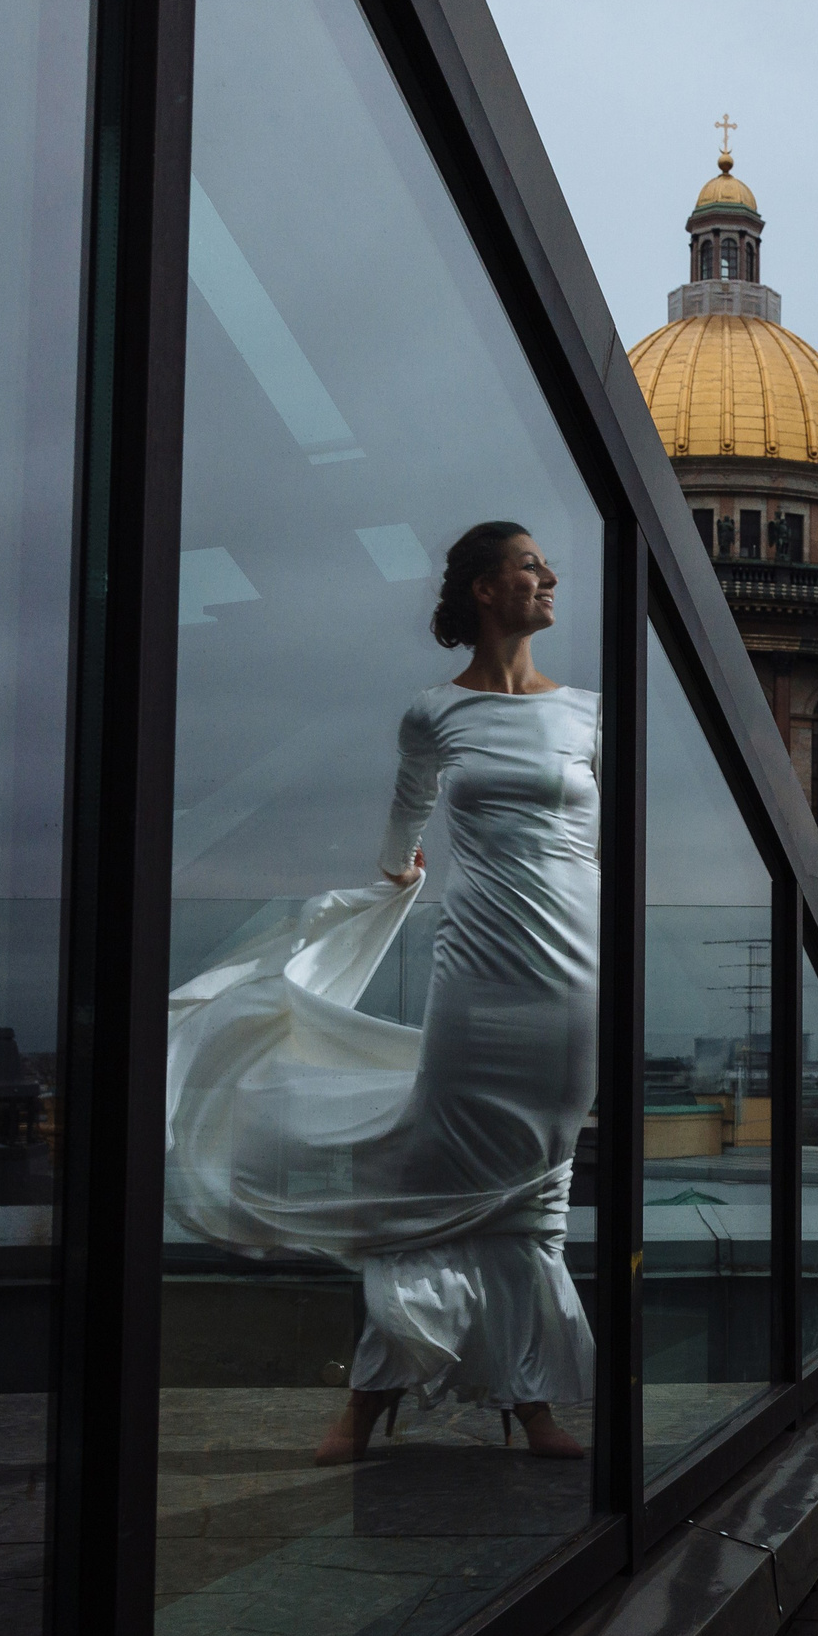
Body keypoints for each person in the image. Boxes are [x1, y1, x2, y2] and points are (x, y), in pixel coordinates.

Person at [158, 521, 597, 1467]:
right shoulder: (434, 712)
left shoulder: (590, 716)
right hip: (481, 962)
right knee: (430, 1169)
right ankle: (377, 1402)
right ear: (484, 589)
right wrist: (394, 878)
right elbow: (405, 814)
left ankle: (530, 1402)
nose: (549, 576)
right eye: (529, 564)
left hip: (573, 970)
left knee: (535, 1186)